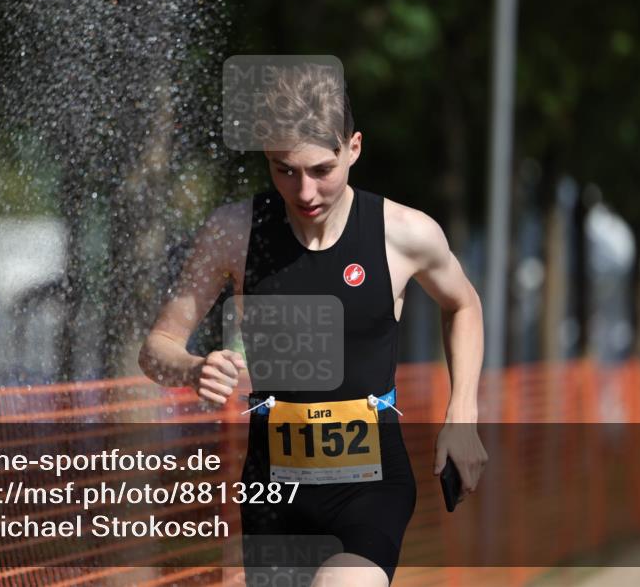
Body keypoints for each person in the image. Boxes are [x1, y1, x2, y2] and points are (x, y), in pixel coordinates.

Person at [139, 63, 487, 586]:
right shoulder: (233, 232)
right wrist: (192, 368)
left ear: (354, 148)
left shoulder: (405, 233)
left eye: (322, 169)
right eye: (285, 170)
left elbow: (464, 305)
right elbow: (156, 348)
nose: (304, 192)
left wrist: (462, 414)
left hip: (370, 486)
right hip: (271, 490)